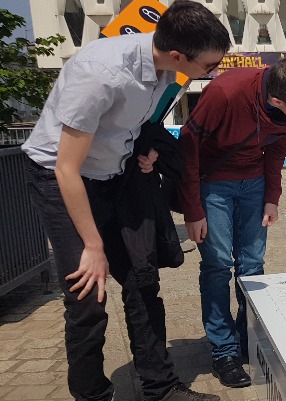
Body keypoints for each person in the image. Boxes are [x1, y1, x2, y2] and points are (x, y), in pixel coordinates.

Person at [20, 2, 230, 400]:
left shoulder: (166, 70)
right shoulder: (100, 73)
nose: (213, 72)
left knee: (142, 280)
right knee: (87, 295)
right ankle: (92, 394)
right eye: (209, 65)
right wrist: (93, 246)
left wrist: (147, 151)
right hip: (62, 179)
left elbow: (136, 125)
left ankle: (161, 387)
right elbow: (66, 167)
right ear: (178, 55)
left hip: (115, 173)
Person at [177, 57, 286, 388]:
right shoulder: (226, 92)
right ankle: (224, 350)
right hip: (213, 185)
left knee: (252, 264)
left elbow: (277, 153)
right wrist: (193, 210)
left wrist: (272, 196)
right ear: (277, 100)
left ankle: (248, 338)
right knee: (217, 265)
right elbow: (188, 148)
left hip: (254, 185)